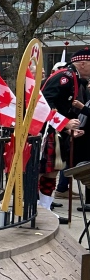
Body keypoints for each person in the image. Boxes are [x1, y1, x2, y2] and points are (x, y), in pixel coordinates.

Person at [39, 47, 90, 219]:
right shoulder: (65, 77)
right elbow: (43, 102)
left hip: (57, 130)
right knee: (41, 171)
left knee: (52, 171)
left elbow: (64, 108)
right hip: (45, 130)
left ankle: (45, 210)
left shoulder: (74, 77)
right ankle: (34, 209)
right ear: (82, 63)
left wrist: (69, 128)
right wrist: (65, 123)